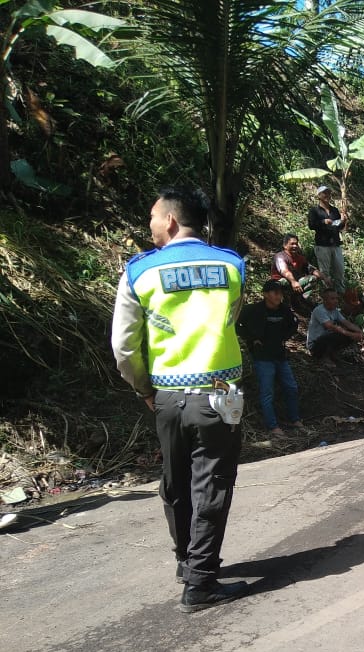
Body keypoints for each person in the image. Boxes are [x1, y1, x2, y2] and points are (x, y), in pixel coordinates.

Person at [111, 186, 250, 612]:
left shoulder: (140, 273)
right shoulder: (231, 266)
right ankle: (200, 580)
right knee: (212, 485)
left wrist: (145, 390)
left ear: (169, 221)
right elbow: (231, 319)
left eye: (153, 218)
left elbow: (124, 347)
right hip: (220, 396)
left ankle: (188, 564)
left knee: (176, 483)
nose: (150, 225)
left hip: (168, 396)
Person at [236, 279, 305, 437]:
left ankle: (294, 420)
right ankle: (273, 426)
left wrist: (283, 337)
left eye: (280, 293)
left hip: (280, 356)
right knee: (267, 392)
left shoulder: (284, 310)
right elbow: (236, 324)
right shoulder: (253, 310)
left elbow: (294, 324)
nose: (279, 296)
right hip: (262, 357)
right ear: (266, 294)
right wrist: (252, 338)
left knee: (291, 388)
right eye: (275, 293)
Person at [270, 232, 330, 316]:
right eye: (292, 244)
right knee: (285, 281)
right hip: (279, 283)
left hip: (295, 283)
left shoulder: (299, 257)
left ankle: (298, 299)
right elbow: (284, 271)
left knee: (313, 278)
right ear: (285, 245)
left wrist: (325, 278)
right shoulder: (280, 256)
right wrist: (293, 281)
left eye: (296, 244)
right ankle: (284, 303)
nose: (295, 246)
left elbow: (311, 269)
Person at [306, 288, 364, 365]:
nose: (336, 301)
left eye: (337, 298)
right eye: (332, 299)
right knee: (337, 333)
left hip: (325, 339)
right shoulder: (319, 310)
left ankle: (332, 354)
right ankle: (323, 357)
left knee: (347, 333)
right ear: (325, 300)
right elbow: (330, 326)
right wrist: (352, 334)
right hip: (315, 344)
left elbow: (347, 323)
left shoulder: (335, 311)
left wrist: (360, 332)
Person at [308, 185, 345, 295]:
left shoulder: (334, 210)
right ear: (319, 195)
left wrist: (343, 221)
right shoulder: (314, 211)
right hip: (322, 245)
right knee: (325, 272)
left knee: (340, 271)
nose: (327, 195)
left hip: (336, 244)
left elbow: (340, 227)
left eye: (328, 193)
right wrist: (323, 222)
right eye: (324, 193)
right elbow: (311, 225)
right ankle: (328, 296)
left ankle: (341, 294)